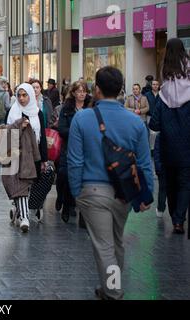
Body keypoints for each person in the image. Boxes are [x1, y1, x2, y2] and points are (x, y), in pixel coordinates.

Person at [68, 66, 153, 300]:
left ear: (96, 89)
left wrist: (76, 192)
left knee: (105, 246)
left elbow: (75, 160)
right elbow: (145, 163)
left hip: (92, 191)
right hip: (124, 192)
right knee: (116, 244)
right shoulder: (135, 122)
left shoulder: (82, 118)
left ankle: (113, 291)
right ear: (121, 90)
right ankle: (109, 286)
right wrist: (146, 196)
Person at [149, 38, 190, 235]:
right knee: (185, 182)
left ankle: (175, 216)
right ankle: (179, 220)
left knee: (171, 183)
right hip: (187, 146)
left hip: (167, 148)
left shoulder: (163, 94)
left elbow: (154, 123)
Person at [4, 83, 48, 233]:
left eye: (25, 95)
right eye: (19, 95)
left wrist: (44, 159)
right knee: (21, 186)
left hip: (33, 155)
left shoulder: (38, 113)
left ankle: (18, 208)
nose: (22, 98)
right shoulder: (12, 112)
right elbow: (5, 134)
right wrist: (18, 126)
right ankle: (24, 217)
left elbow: (42, 137)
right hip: (17, 154)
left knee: (29, 185)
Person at [57, 81, 92, 224]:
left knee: (84, 179)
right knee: (65, 175)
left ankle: (81, 212)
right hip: (69, 147)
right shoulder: (67, 108)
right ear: (74, 93)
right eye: (79, 91)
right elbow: (62, 128)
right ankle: (65, 202)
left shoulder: (91, 106)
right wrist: (76, 133)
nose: (82, 93)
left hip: (87, 148)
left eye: (84, 91)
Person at [153, 134, 167, 218]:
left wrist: (158, 167)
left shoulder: (160, 135)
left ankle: (160, 209)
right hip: (176, 167)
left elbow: (156, 152)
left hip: (162, 167)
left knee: (162, 189)